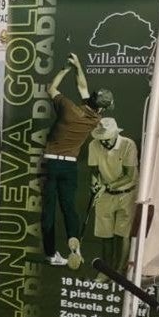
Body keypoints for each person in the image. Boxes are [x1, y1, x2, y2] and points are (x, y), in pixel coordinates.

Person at [41, 53, 114, 269]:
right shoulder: (95, 119)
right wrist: (79, 66)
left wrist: (67, 67)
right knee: (69, 207)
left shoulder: (67, 107)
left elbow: (51, 89)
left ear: (91, 98)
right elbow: (82, 86)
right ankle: (75, 243)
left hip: (50, 163)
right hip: (69, 165)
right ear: (102, 108)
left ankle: (51, 254)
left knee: (49, 210)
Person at [87, 117, 138, 277]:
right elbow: (94, 171)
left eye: (107, 139)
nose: (104, 143)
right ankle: (105, 272)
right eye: (101, 140)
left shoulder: (128, 145)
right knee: (105, 235)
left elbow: (129, 176)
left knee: (122, 235)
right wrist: (95, 185)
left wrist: (107, 186)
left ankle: (118, 273)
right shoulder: (93, 145)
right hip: (105, 195)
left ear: (115, 134)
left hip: (127, 194)